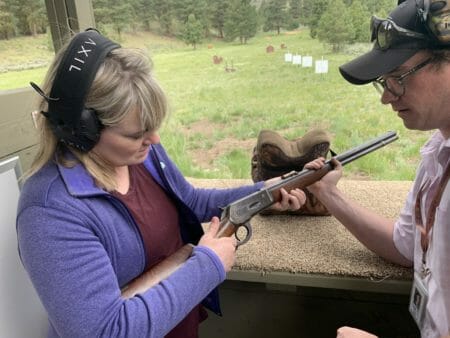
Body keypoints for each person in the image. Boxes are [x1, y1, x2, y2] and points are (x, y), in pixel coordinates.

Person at [17, 29, 306, 338]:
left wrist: (265, 193)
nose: (153, 140)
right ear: (80, 130)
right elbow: (105, 332)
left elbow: (191, 202)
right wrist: (208, 265)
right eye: (136, 134)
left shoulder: (142, 155)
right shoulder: (49, 212)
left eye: (152, 128)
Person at [305, 0, 450, 337]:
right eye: (384, 81)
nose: (387, 97)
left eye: (398, 77)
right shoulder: (438, 152)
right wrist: (327, 194)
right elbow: (407, 248)